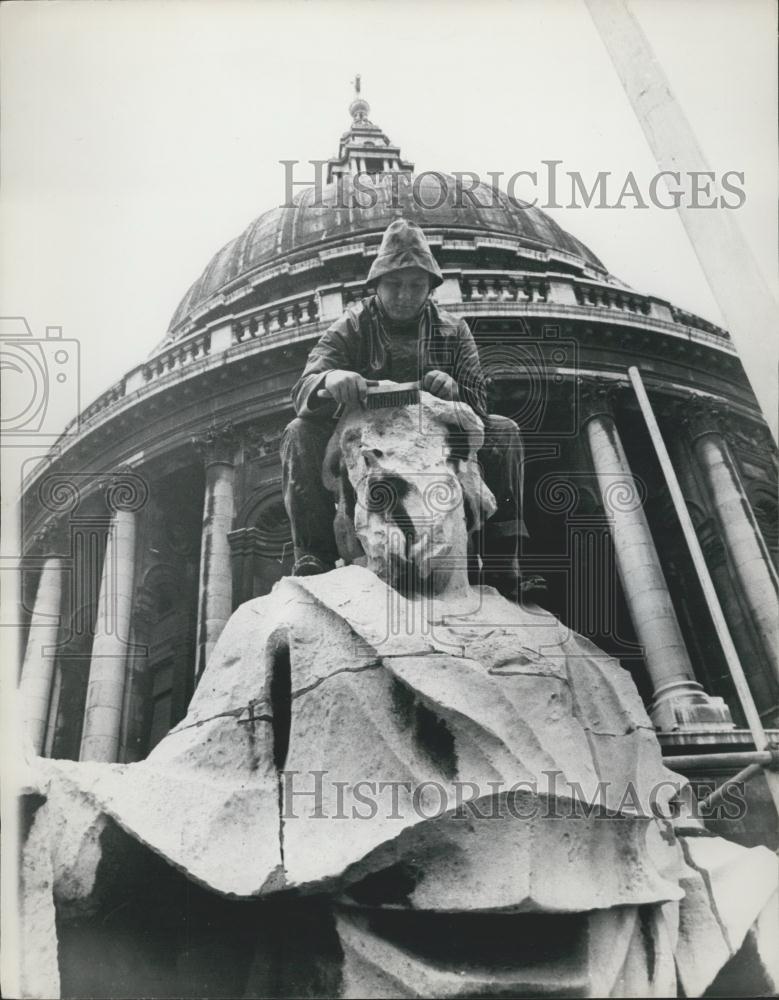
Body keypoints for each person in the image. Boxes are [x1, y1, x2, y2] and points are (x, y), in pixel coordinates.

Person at [281, 218, 526, 596]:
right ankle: (311, 554)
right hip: (368, 438)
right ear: (376, 284)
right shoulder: (352, 325)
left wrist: (454, 389)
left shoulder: (454, 329)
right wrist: (330, 381)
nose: (404, 295)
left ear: (430, 287)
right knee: (298, 433)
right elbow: (304, 388)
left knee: (505, 432)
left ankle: (502, 563)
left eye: (416, 286)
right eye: (394, 284)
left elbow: (478, 402)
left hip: (436, 436)